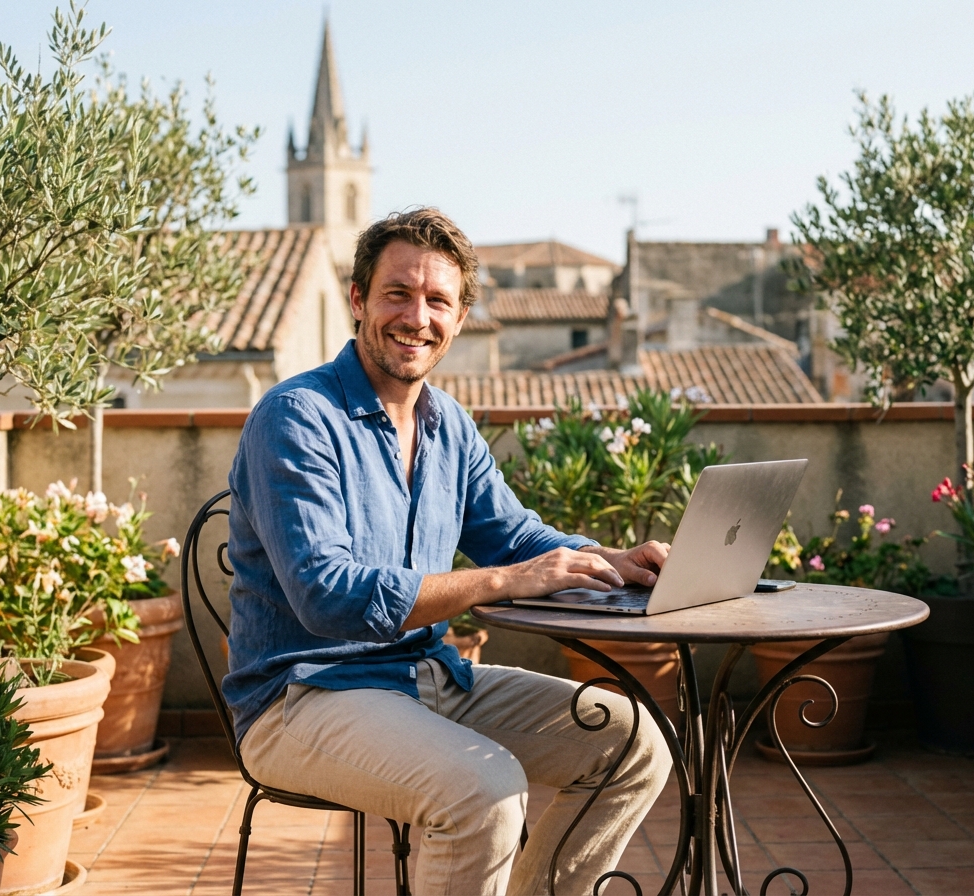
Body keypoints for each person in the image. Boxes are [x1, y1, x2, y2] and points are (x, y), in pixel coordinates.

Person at [225, 208, 672, 895]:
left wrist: (611, 558)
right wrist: (501, 582)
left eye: (438, 300)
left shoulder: (448, 425)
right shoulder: (296, 418)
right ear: (358, 301)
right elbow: (326, 594)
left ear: (460, 318)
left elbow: (516, 537)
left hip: (425, 678)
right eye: (397, 293)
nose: (417, 317)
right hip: (301, 697)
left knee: (634, 744)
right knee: (483, 790)